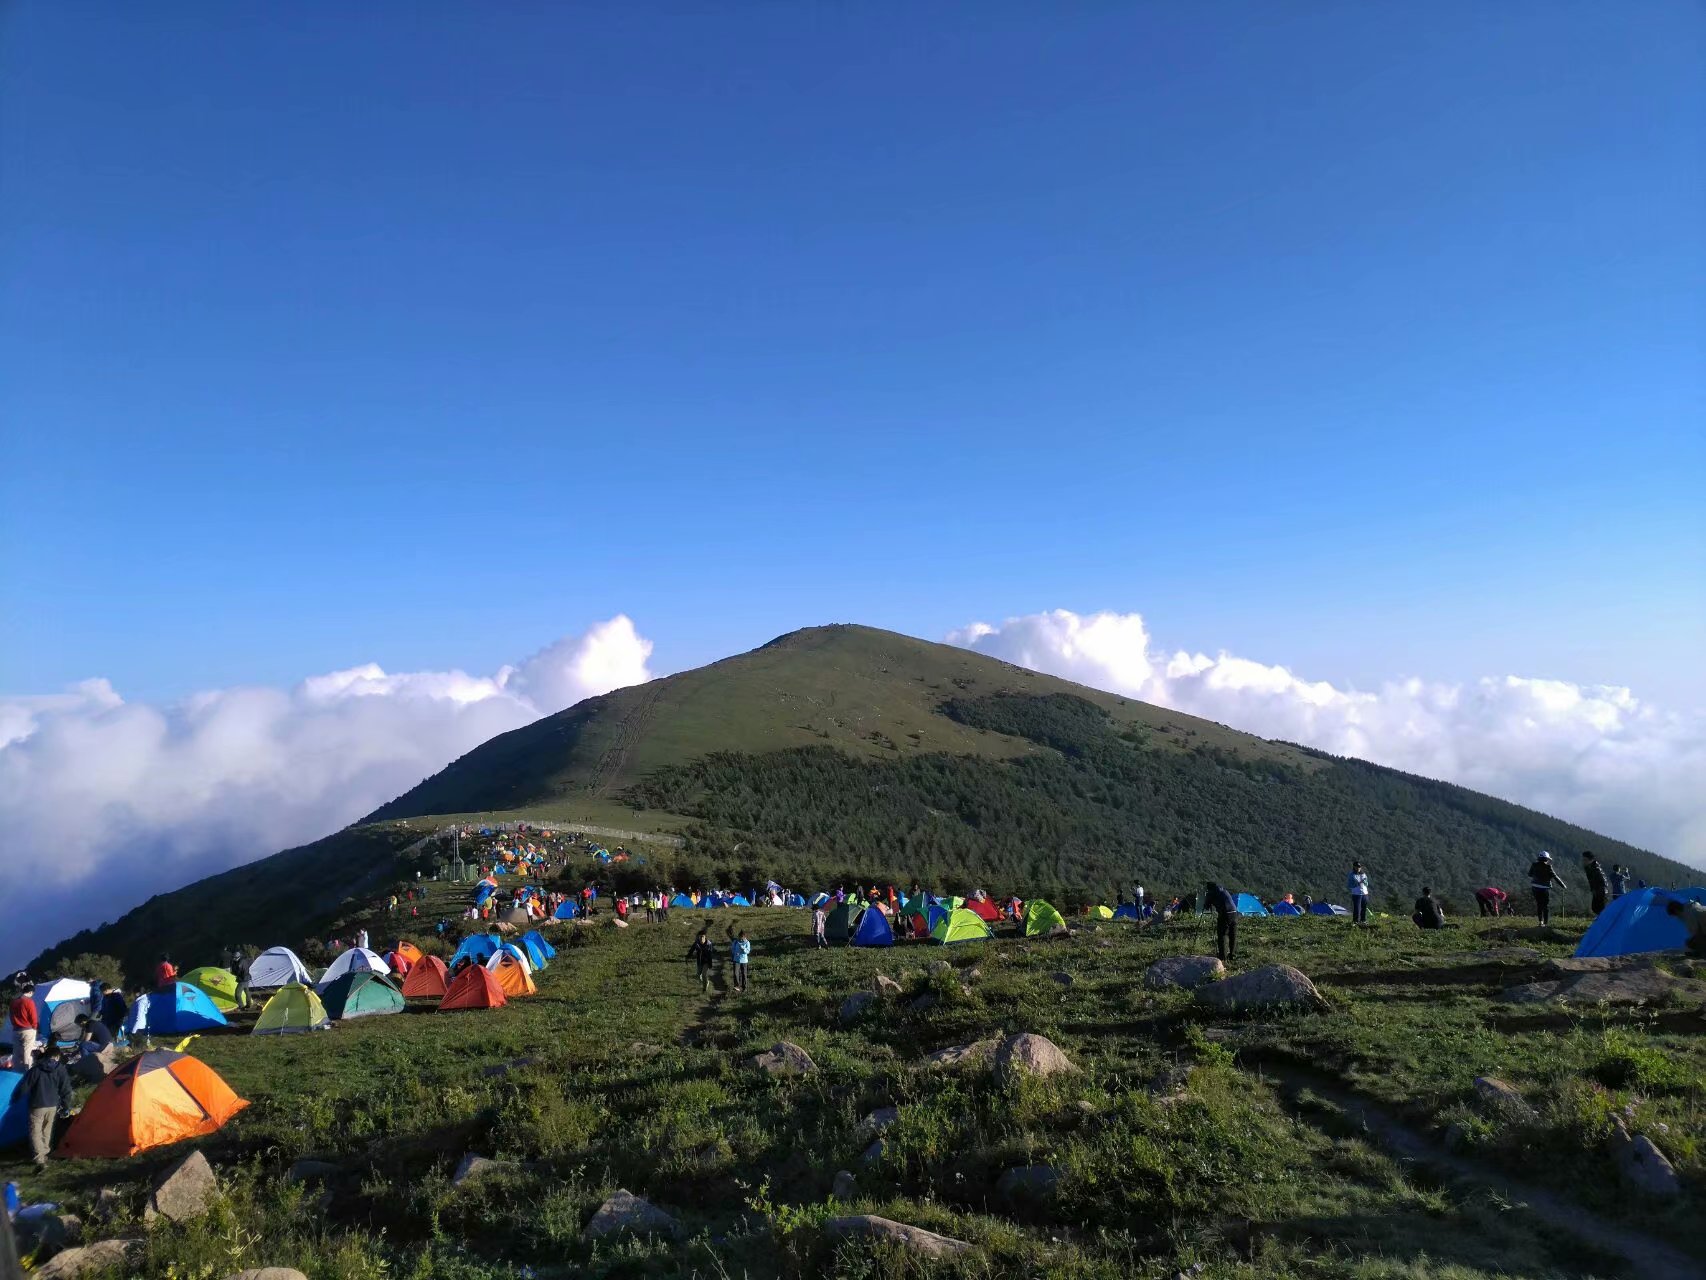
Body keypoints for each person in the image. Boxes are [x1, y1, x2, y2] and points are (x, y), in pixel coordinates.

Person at [23, 1041, 74, 1168]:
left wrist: (14, 1099)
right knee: (47, 1129)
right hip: (52, 1105)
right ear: (57, 1057)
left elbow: (24, 1087)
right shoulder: (61, 1069)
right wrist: (66, 1106)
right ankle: (45, 1152)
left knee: (35, 1131)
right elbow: (66, 1090)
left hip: (37, 1104)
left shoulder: (35, 1069)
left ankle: (39, 1158)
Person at [71, 1013, 116, 1080]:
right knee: (84, 1045)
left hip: (105, 1046)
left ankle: (87, 1061)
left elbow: (86, 1040)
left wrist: (77, 1050)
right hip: (109, 1044)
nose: (80, 1026)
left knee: (83, 1045)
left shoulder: (89, 1024)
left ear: (82, 1022)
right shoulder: (94, 1023)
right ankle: (87, 1059)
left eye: (79, 1024)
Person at [1528, 852, 1568, 926]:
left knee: (1539, 904)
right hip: (1544, 888)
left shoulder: (1534, 865)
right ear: (1546, 859)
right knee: (1545, 906)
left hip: (1535, 887)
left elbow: (1529, 874)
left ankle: (1540, 922)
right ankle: (1546, 923)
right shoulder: (1548, 867)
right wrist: (1563, 885)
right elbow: (1555, 877)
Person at [1204, 881, 1237, 963]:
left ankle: (1222, 957)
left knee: (1222, 934)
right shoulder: (1224, 890)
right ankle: (1232, 955)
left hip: (1225, 914)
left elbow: (1206, 906)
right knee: (1233, 935)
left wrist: (1207, 901)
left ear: (1209, 888)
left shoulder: (1212, 893)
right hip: (1234, 913)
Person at [8, 981, 38, 1069]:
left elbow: (11, 1016)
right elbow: (33, 1017)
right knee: (27, 1052)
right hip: (28, 1030)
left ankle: (16, 1072)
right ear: (30, 992)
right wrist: (34, 1027)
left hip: (16, 1030)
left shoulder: (13, 1002)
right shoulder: (29, 1002)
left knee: (16, 1053)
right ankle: (26, 1071)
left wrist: (15, 1025)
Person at [687, 927, 715, 993]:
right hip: (699, 962)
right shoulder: (696, 943)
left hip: (706, 962)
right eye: (700, 937)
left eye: (702, 937)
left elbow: (710, 955)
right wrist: (688, 956)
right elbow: (691, 950)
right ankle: (706, 982)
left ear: (705, 937)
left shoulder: (709, 944)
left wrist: (710, 964)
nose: (701, 938)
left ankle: (704, 988)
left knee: (704, 974)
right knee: (698, 976)